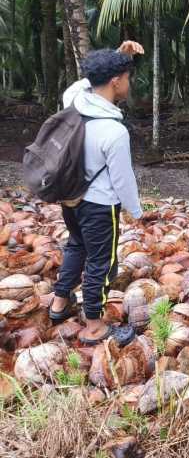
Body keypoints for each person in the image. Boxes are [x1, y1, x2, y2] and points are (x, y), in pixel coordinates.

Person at [49, 42, 146, 347]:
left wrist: (116, 58)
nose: (129, 83)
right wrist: (137, 211)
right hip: (100, 207)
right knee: (102, 264)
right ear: (116, 81)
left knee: (76, 246)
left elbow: (83, 81)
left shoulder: (74, 101)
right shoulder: (114, 131)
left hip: (71, 199)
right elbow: (123, 179)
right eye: (127, 76)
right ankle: (94, 326)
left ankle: (58, 305)